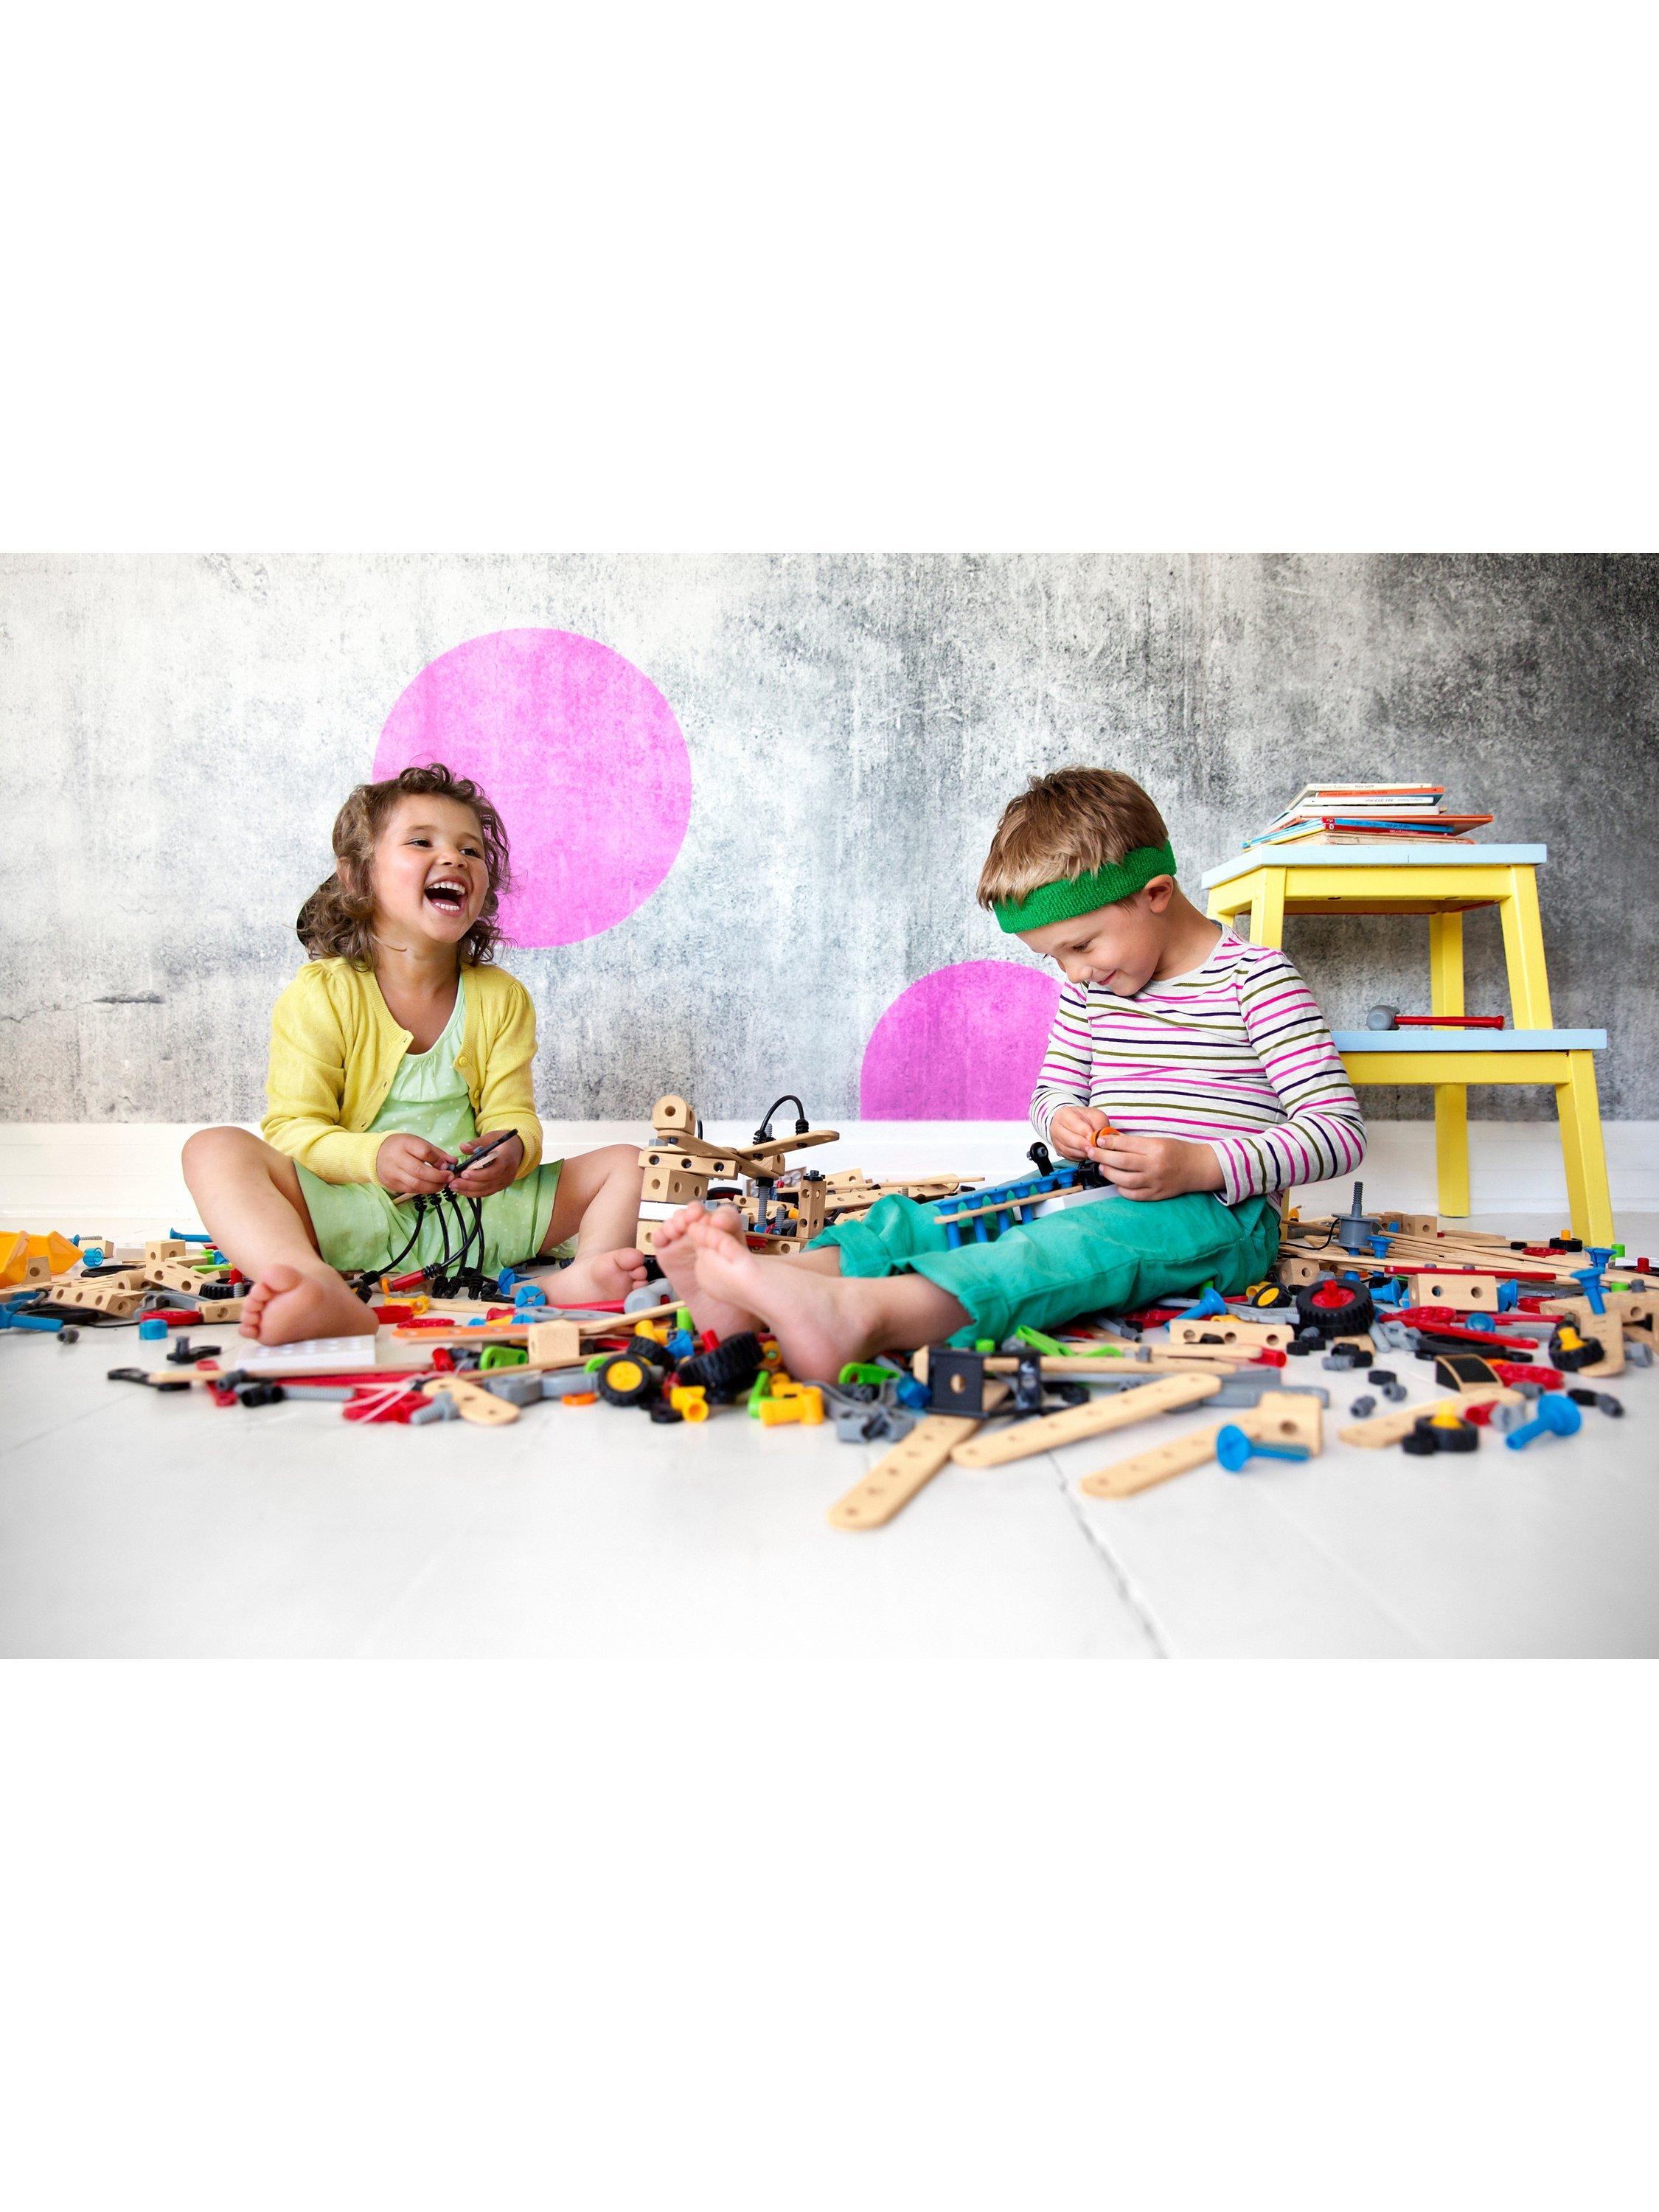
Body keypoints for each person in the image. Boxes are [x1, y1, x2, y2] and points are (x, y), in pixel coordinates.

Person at [655, 765, 1365, 1381]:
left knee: (1052, 1254)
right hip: (1086, 1184)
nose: (1074, 973)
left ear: (1155, 893)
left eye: (1082, 946)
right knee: (950, 1218)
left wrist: (1203, 1165)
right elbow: (1052, 1092)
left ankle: (863, 1315)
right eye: (1054, 958)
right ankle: (766, 1286)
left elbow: (1337, 1133)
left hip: (1218, 1216)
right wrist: (1064, 1120)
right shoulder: (1091, 990)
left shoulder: (1254, 981)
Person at [181, 762, 645, 1346]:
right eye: (422, 842)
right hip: (356, 1213)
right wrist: (373, 1157)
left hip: (482, 1218)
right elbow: (293, 1131)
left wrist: (511, 1151)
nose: (454, 858)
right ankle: (309, 1282)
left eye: (471, 850)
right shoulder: (322, 993)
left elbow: (513, 1115)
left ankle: (589, 1274)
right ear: (357, 875)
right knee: (212, 1150)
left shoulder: (501, 996)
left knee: (629, 1162)